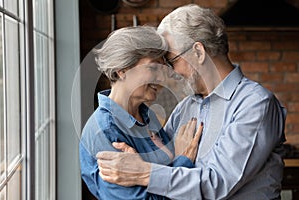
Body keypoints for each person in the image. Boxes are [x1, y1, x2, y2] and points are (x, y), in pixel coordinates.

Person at [97, 4, 287, 200]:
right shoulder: (186, 108)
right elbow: (168, 166)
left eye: (172, 61)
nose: (170, 72)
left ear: (198, 52)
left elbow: (217, 183)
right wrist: (138, 157)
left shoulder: (254, 104)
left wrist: (142, 172)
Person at [79, 25, 203, 200]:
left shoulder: (146, 115)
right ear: (122, 70)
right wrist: (183, 161)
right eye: (153, 68)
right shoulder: (105, 132)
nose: (161, 78)